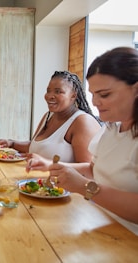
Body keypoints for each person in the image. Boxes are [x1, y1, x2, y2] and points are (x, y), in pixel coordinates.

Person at [30, 47, 138, 235]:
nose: (95, 102)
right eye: (93, 94)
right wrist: (51, 166)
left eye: (104, 94)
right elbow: (92, 169)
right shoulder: (111, 129)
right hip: (100, 227)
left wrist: (84, 187)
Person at [0, 70, 101, 163]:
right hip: (38, 183)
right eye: (48, 91)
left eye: (58, 91)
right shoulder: (48, 116)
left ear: (73, 95)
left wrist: (48, 164)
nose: (50, 96)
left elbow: (87, 170)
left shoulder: (82, 121)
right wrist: (11, 143)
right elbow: (36, 147)